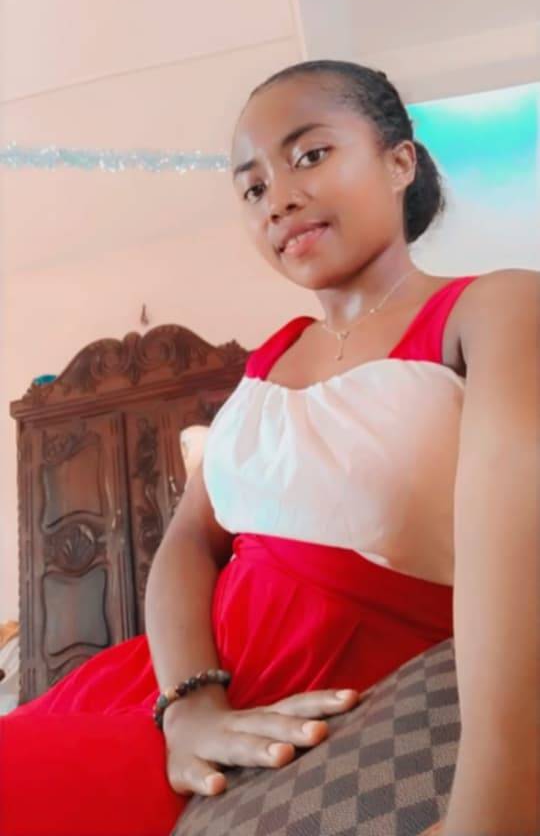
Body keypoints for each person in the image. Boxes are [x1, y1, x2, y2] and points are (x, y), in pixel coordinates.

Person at [0, 61, 537, 836]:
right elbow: (189, 540)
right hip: (166, 701)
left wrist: (495, 814)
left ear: (399, 161)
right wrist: (189, 705)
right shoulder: (268, 358)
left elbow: (519, 550)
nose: (277, 198)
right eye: (251, 189)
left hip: (336, 717)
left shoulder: (495, 307)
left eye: (309, 155)